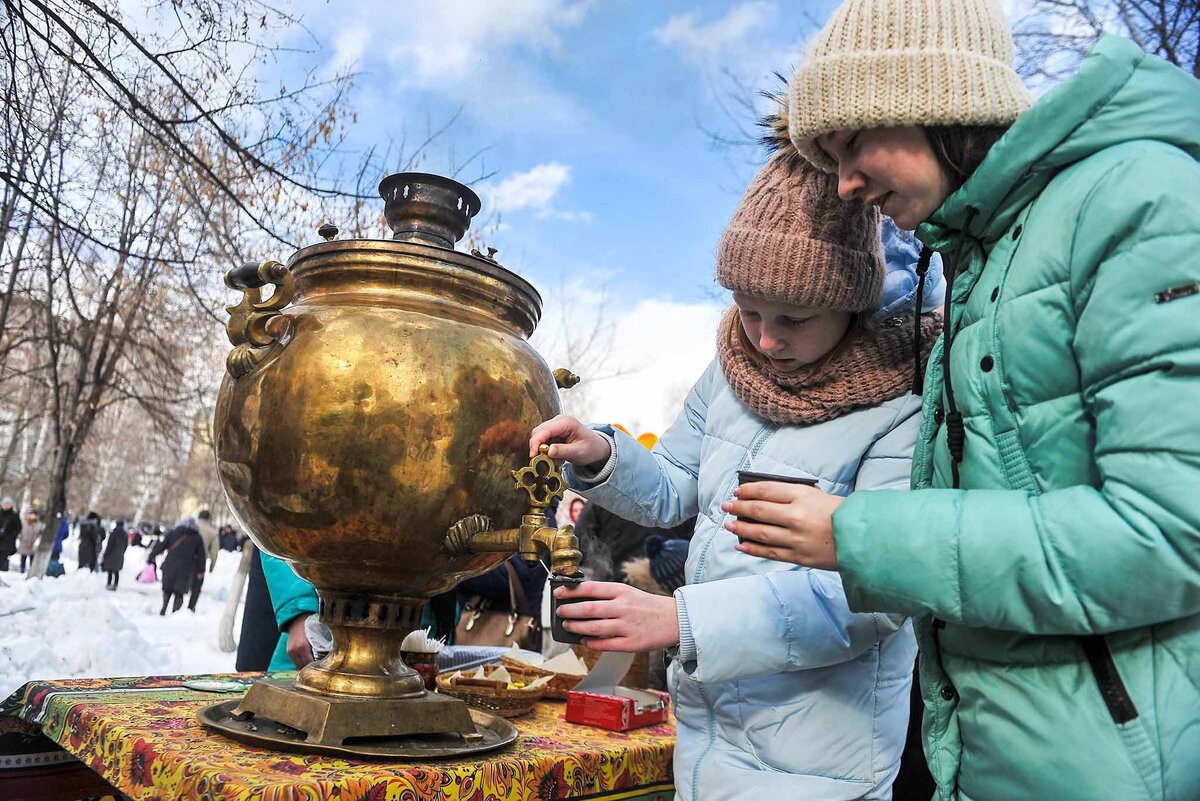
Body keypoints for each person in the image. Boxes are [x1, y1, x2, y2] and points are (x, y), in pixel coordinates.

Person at [724, 2, 1200, 799]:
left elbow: (1171, 532)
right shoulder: (979, 263)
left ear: (934, 98)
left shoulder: (1138, 198)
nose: (842, 184)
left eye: (851, 145)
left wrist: (856, 533)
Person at [530, 106, 945, 799]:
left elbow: (873, 597)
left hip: (822, 759)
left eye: (794, 319)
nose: (766, 339)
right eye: (748, 310)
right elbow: (676, 483)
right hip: (709, 735)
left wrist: (678, 620)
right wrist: (603, 453)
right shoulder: (733, 368)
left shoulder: (905, 398)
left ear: (852, 302)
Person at [147, 517, 206, 615]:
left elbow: (161, 546)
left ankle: (164, 607)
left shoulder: (173, 533)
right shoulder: (197, 537)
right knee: (180, 592)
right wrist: (201, 570)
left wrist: (151, 556)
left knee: (167, 589)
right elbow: (201, 556)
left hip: (170, 565)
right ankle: (175, 613)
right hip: (186, 569)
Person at [190, 509, 220, 611]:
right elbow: (214, 552)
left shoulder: (191, 526)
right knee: (196, 586)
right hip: (200, 562)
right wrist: (212, 566)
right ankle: (191, 607)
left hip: (185, 558)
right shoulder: (212, 532)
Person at [100, 519, 128, 590]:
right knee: (116, 571)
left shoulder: (113, 533)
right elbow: (126, 545)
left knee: (110, 570)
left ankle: (109, 584)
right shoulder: (125, 534)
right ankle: (115, 585)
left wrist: (105, 554)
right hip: (120, 554)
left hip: (111, 554)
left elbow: (109, 545)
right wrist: (122, 552)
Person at [0, 497, 20, 571]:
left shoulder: (14, 515)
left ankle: (4, 571)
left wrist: (12, 535)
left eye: (8, 504)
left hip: (8, 541)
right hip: (0, 539)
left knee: (4, 557)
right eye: (5, 504)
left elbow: (18, 527)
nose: (6, 505)